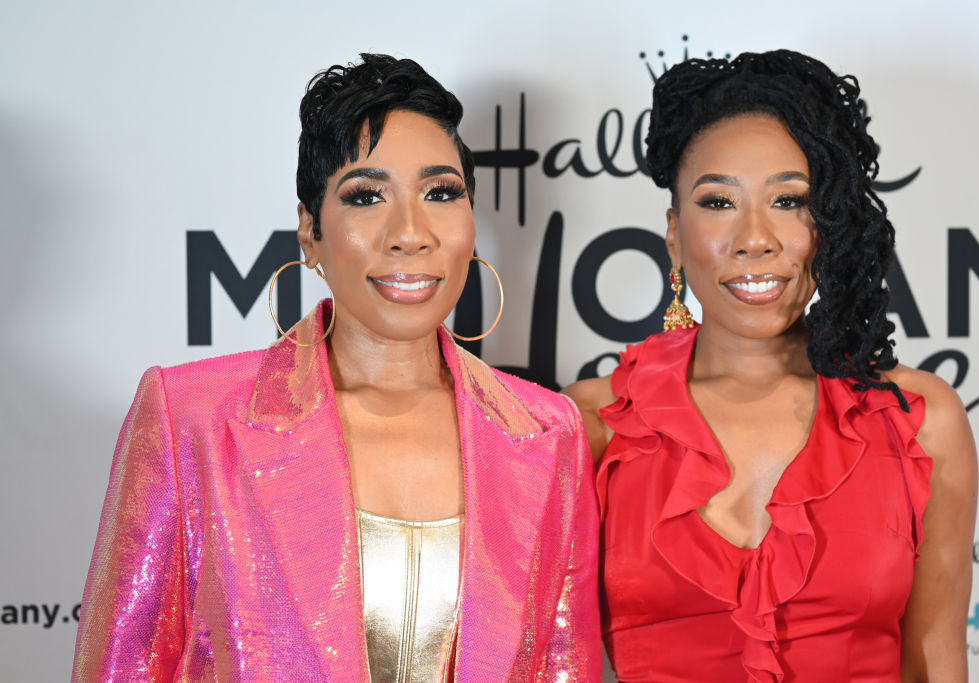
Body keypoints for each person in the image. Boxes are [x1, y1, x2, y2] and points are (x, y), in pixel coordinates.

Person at [72, 53, 600, 682]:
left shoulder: (548, 432)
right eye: (367, 196)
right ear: (310, 231)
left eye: (440, 193)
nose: (410, 233)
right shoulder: (191, 416)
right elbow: (122, 667)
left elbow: (564, 667)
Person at [566, 50, 976, 682]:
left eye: (789, 201)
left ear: (828, 225)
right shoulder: (592, 424)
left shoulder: (918, 421)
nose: (755, 239)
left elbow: (937, 664)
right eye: (718, 202)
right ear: (673, 234)